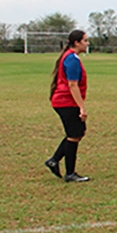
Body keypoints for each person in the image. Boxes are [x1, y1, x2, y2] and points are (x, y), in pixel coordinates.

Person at [45, 30, 91, 183]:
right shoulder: (72, 59)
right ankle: (69, 173)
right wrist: (82, 107)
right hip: (66, 102)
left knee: (78, 133)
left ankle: (54, 160)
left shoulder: (71, 57)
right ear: (77, 43)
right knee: (74, 135)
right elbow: (72, 85)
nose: (87, 43)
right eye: (85, 40)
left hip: (64, 101)